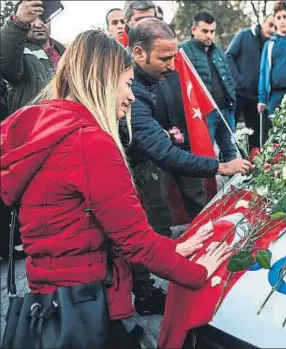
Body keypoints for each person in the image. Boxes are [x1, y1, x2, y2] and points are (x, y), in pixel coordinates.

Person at [0, 29, 233, 348]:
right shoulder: (90, 143)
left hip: (55, 299)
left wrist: (174, 248)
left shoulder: (45, 131)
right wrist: (197, 272)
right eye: (127, 83)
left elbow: (112, 229)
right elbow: (135, 242)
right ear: (104, 82)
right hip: (95, 304)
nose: (132, 95)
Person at [124, 18, 252, 315]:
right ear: (139, 53)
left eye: (174, 57)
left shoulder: (148, 80)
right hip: (125, 173)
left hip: (139, 162)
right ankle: (141, 296)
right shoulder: (132, 94)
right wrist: (221, 167)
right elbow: (164, 154)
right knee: (135, 233)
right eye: (165, 59)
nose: (172, 67)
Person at [181, 11, 238, 163]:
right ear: (194, 30)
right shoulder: (184, 51)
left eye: (212, 31)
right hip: (204, 112)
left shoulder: (218, 51)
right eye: (205, 31)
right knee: (205, 155)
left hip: (225, 109)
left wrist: (232, 100)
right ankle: (210, 187)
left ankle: (233, 187)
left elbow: (228, 78)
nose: (209, 35)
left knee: (231, 152)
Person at [0, 0, 65, 114]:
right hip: (34, 127)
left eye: (43, 18)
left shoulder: (67, 53)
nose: (38, 24)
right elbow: (6, 63)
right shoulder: (16, 53)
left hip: (68, 123)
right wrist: (17, 22)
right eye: (31, 18)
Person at [226, 14, 276, 150]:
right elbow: (228, 55)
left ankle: (252, 166)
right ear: (262, 22)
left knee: (255, 137)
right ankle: (227, 162)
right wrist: (238, 80)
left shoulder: (272, 44)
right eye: (270, 25)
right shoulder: (244, 35)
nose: (272, 29)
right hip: (237, 94)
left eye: (275, 27)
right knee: (229, 135)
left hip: (255, 98)